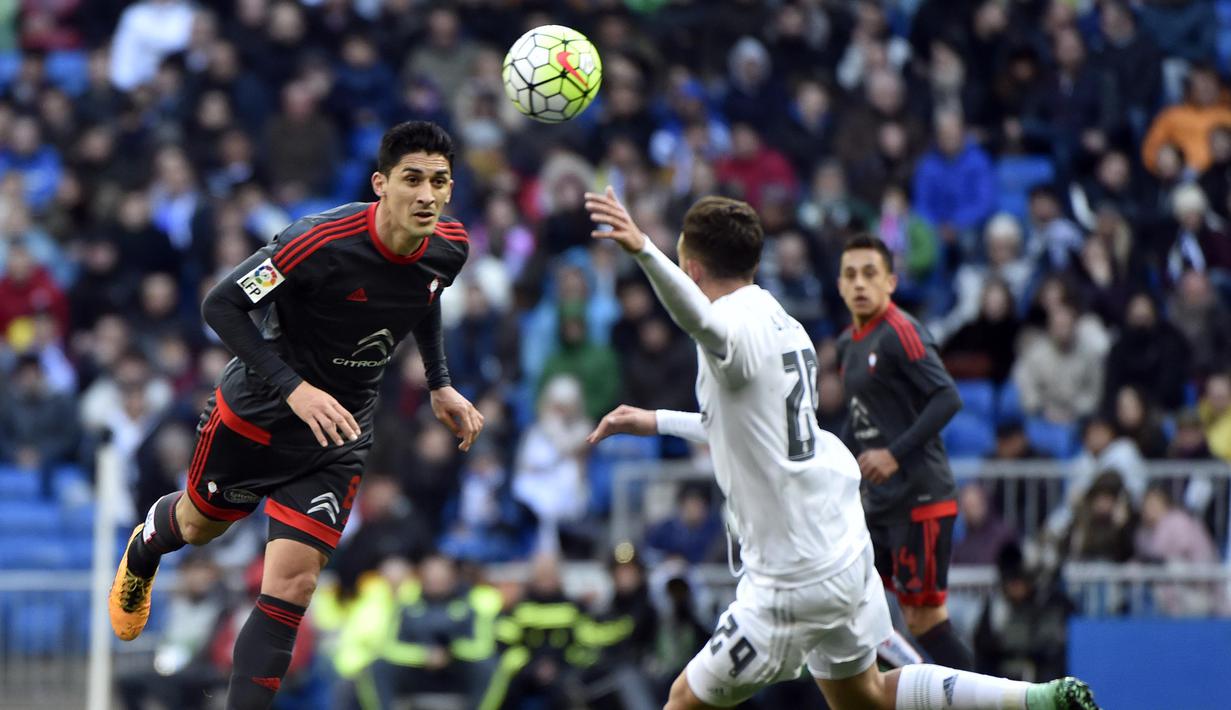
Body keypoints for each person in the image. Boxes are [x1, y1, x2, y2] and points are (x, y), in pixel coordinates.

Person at [582, 188, 1097, 709]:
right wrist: (659, 421)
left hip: (791, 578)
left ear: (689, 268)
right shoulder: (783, 321)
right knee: (865, 698)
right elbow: (752, 427)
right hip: (842, 550)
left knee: (681, 700)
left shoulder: (731, 324)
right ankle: (1033, 700)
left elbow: (703, 324)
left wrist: (642, 248)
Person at [108, 121, 485, 710]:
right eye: (413, 179)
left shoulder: (450, 246)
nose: (428, 195)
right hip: (258, 411)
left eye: (440, 182)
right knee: (203, 525)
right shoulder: (320, 240)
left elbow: (424, 298)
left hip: (338, 432)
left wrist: (440, 384)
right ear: (380, 184)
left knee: (293, 584)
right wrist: (295, 389)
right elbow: (221, 305)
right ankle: (146, 547)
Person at [834, 234, 973, 669]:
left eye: (870, 274)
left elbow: (947, 397)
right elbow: (861, 419)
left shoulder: (901, 331)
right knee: (849, 596)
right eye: (851, 274)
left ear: (891, 281)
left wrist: (893, 454)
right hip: (882, 502)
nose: (860, 283)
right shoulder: (847, 344)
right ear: (839, 285)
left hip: (921, 498)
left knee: (925, 619)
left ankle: (979, 697)